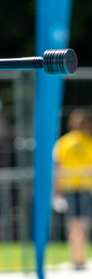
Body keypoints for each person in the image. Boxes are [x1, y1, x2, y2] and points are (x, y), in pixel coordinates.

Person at [52, 108, 92, 270]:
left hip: (68, 188)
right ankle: (80, 259)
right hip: (84, 188)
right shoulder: (88, 142)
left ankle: (76, 258)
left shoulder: (63, 142)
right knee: (83, 225)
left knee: (73, 225)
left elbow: (57, 168)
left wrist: (56, 191)